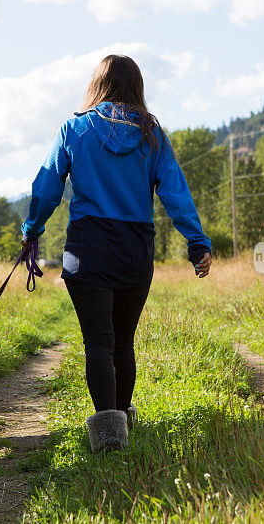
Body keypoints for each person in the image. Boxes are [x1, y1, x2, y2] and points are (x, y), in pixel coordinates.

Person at [21, 55, 212, 453]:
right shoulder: (151, 135)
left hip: (86, 250)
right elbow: (175, 192)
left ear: (97, 84)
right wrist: (196, 242)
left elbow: (45, 188)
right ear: (136, 87)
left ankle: (110, 437)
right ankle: (121, 420)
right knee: (122, 343)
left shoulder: (75, 129)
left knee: (98, 342)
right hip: (135, 251)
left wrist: (32, 231)